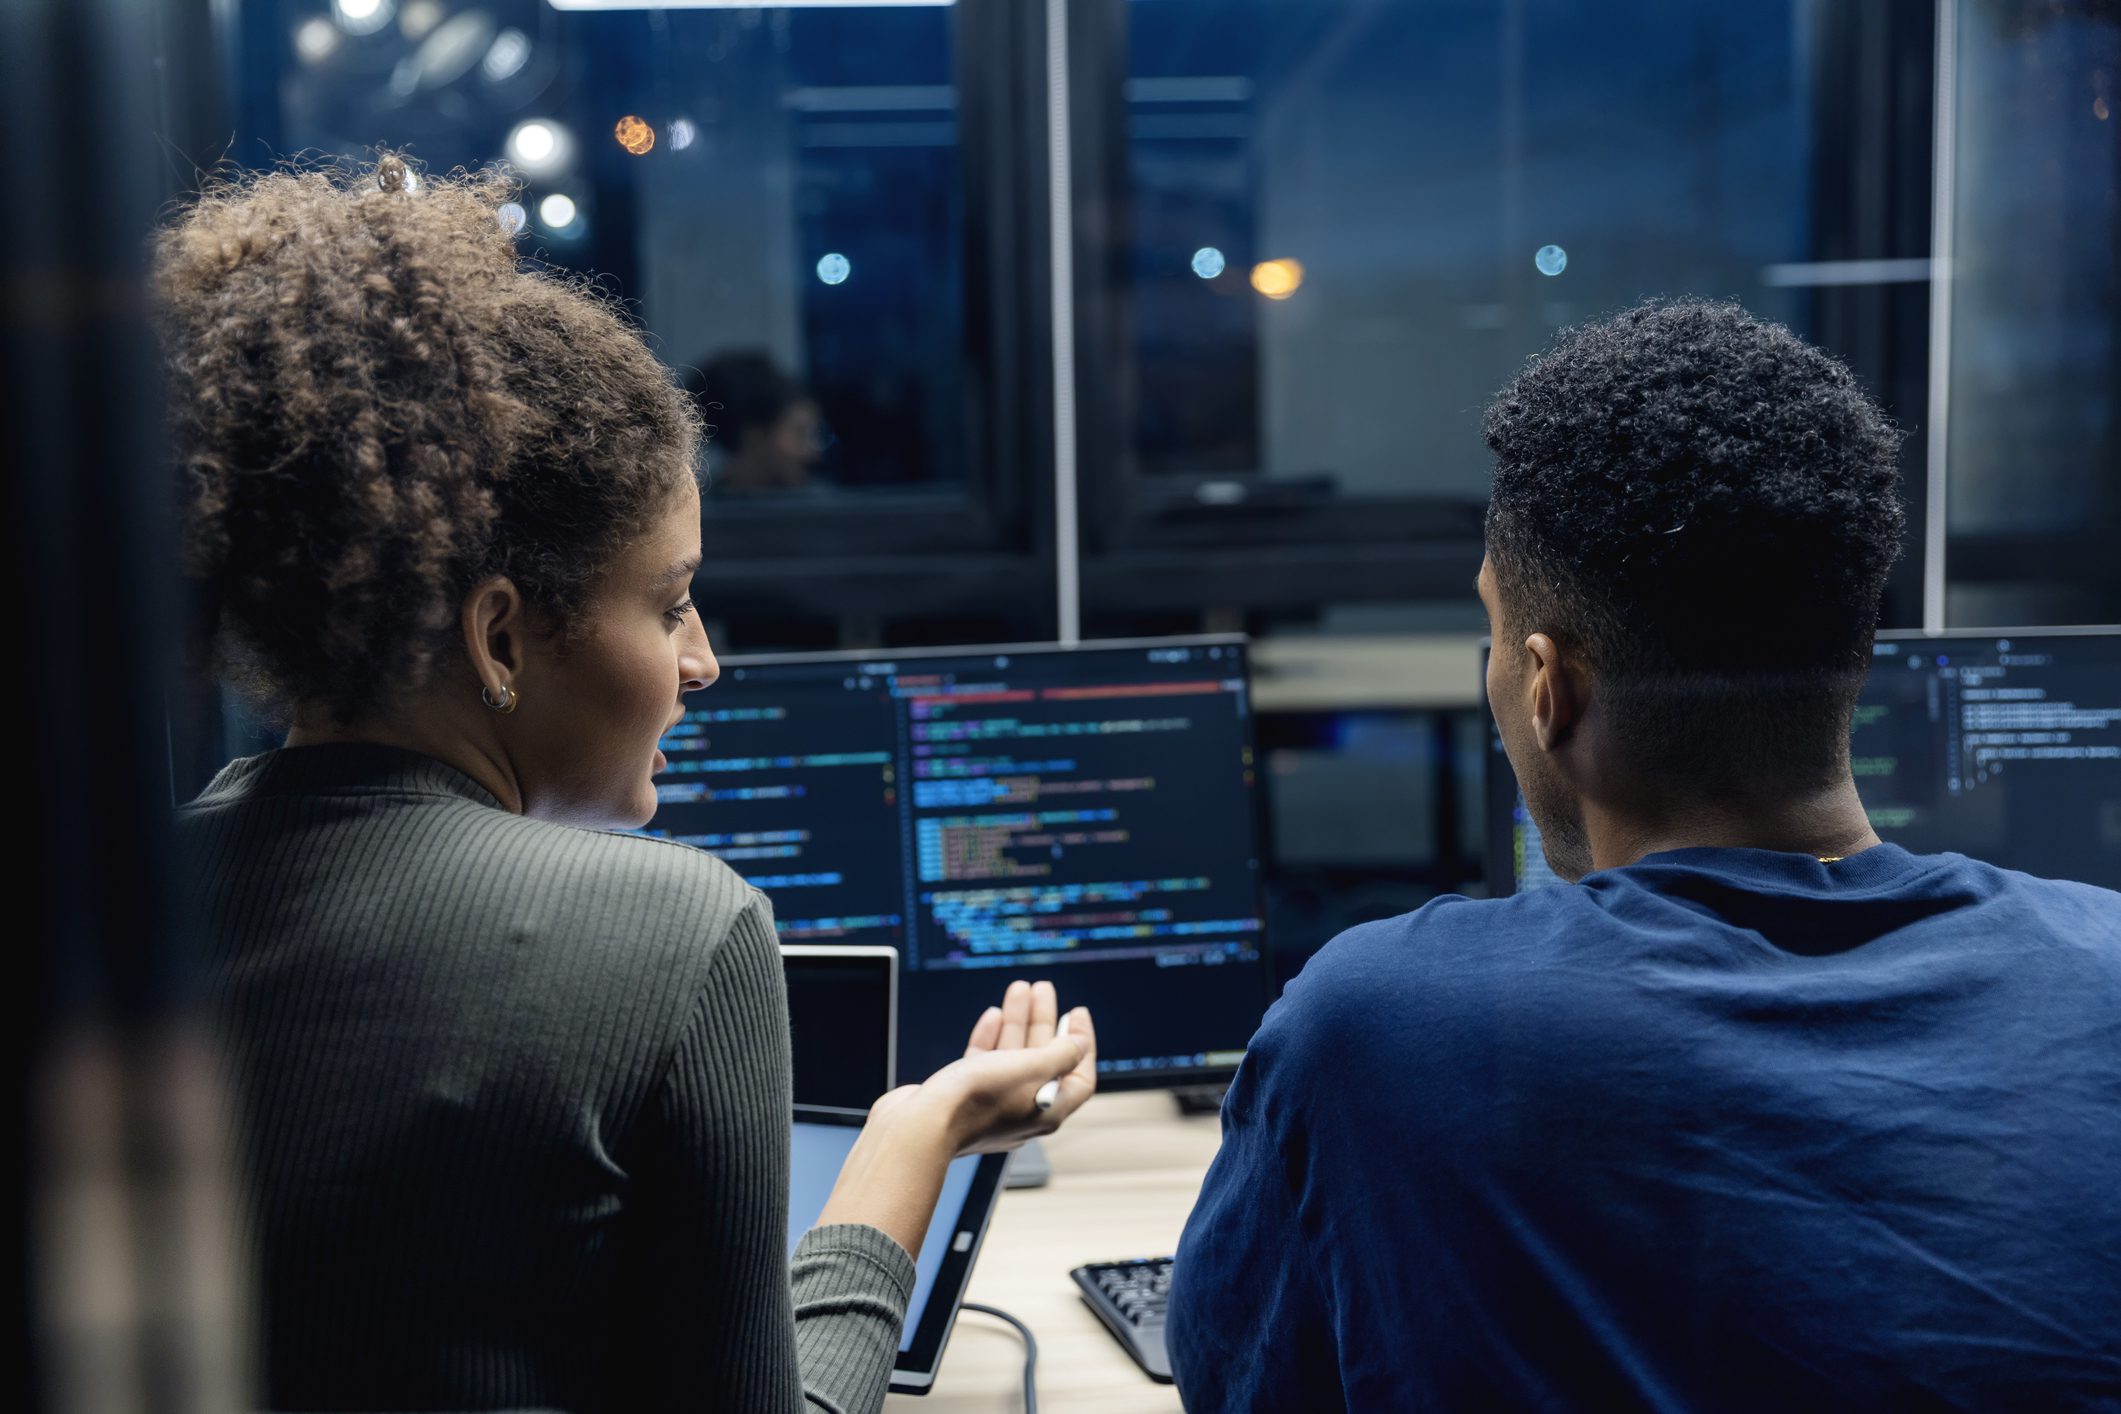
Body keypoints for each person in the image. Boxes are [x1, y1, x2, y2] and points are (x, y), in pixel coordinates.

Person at [155, 155, 1096, 1414]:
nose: (701, 661)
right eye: (669, 603)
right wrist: (912, 1144)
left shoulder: (106, 918)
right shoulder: (676, 935)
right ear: (499, 637)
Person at [1167, 300, 2121, 1409]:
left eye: (1492, 632)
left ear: (1547, 686)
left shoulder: (1372, 1034)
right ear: (1854, 645)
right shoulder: (2104, 968)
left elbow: (1235, 1378)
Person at [687, 349, 827, 496]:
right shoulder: (693, 507)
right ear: (754, 435)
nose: (812, 453)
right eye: (800, 433)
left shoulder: (823, 501)